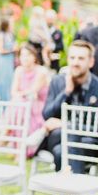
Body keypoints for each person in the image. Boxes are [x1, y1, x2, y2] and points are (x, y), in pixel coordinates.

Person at [38, 40, 98, 173]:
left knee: (60, 152)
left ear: (91, 62)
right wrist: (66, 92)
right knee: (62, 141)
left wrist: (65, 125)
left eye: (81, 58)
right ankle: (78, 192)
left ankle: (69, 193)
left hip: (88, 142)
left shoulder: (96, 86)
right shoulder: (57, 81)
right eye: (72, 58)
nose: (75, 63)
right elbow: (47, 115)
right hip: (58, 137)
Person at [10, 44, 49, 157]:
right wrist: (20, 96)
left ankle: (6, 141)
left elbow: (32, 91)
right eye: (22, 55)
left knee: (19, 105)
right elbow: (13, 92)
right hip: (22, 105)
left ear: (34, 57)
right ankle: (18, 149)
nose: (25, 58)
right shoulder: (19, 70)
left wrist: (20, 95)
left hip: (40, 106)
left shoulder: (41, 71)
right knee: (19, 105)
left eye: (28, 55)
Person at [0, 18, 16, 101]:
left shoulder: (10, 34)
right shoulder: (1, 35)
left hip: (9, 59)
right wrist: (13, 50)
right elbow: (0, 50)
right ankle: (0, 100)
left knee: (9, 79)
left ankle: (8, 100)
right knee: (1, 79)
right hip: (2, 60)